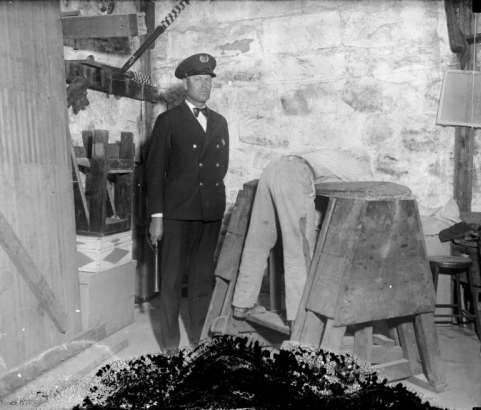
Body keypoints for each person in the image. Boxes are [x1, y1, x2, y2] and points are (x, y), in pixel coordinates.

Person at [232, 149, 372, 327]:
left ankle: (243, 304)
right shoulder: (360, 169)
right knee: (299, 248)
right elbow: (367, 193)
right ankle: (299, 317)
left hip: (271, 170)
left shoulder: (329, 158)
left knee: (258, 241)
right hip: (294, 174)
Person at [146, 53, 229, 352]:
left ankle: (199, 338)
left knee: (201, 280)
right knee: (170, 281)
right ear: (185, 83)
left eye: (208, 80)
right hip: (177, 213)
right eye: (198, 80)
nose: (204, 85)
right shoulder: (168, 120)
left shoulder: (219, 122)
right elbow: (155, 172)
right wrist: (157, 217)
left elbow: (220, 167)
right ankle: (170, 344)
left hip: (209, 212)